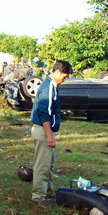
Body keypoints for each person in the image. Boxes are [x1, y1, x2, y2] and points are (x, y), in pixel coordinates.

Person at [30, 60, 72, 206]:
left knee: (48, 164)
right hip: (43, 130)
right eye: (65, 76)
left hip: (46, 130)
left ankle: (47, 192)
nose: (65, 79)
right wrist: (49, 135)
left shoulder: (52, 85)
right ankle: (39, 197)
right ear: (57, 72)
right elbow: (44, 113)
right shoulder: (47, 87)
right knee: (42, 165)